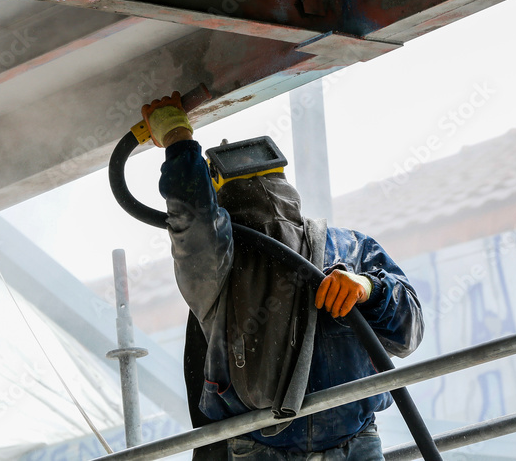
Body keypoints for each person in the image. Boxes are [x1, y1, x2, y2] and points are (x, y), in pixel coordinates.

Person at [141, 92, 424, 461]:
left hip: (351, 444)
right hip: (273, 450)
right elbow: (194, 222)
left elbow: (408, 331)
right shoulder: (221, 261)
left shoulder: (347, 249)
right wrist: (179, 141)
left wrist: (369, 288)